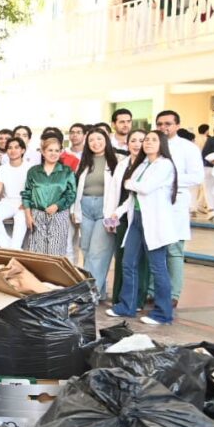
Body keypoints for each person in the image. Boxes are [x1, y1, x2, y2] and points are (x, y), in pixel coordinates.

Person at [106, 130, 179, 325]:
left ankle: (163, 313)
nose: (147, 143)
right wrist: (118, 212)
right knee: (128, 263)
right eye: (147, 140)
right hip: (136, 220)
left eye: (153, 140)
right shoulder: (143, 165)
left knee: (158, 268)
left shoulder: (164, 165)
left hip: (154, 222)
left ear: (162, 144)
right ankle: (126, 306)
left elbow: (144, 188)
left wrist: (131, 183)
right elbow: (132, 196)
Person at [155, 109, 204, 307]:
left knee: (174, 251)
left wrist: (168, 179)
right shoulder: (152, 144)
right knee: (154, 248)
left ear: (177, 125)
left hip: (176, 203)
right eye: (160, 124)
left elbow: (197, 177)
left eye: (168, 124)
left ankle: (174, 294)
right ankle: (152, 291)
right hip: (154, 204)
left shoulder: (187, 148)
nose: (163, 128)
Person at [72, 128, 121, 301]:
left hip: (105, 209)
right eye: (91, 140)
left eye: (99, 139)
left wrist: (115, 214)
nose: (95, 143)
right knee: (86, 249)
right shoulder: (84, 161)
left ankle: (90, 294)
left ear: (106, 140)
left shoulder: (116, 161)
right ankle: (97, 290)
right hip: (85, 208)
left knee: (98, 252)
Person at [111, 130, 149, 310]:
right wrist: (111, 218)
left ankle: (138, 299)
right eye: (133, 140)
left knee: (140, 261)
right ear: (127, 144)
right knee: (122, 258)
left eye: (141, 140)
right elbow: (113, 194)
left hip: (142, 217)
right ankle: (120, 297)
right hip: (121, 217)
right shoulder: (122, 164)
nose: (136, 144)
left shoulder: (149, 166)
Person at [23, 135, 77, 255]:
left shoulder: (67, 171)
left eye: (57, 150)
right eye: (50, 150)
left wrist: (57, 205)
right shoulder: (33, 171)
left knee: (55, 253)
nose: (53, 153)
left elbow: (71, 193)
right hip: (37, 215)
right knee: (37, 254)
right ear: (43, 152)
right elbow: (27, 193)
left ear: (61, 152)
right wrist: (28, 215)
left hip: (59, 214)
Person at [0, 136, 30, 249]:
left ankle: (14, 248)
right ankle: (9, 248)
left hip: (24, 203)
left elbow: (34, 190)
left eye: (16, 147)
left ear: (23, 150)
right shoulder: (2, 169)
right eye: (10, 148)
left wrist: (26, 204)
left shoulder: (30, 168)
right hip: (7, 202)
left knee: (21, 220)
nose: (13, 150)